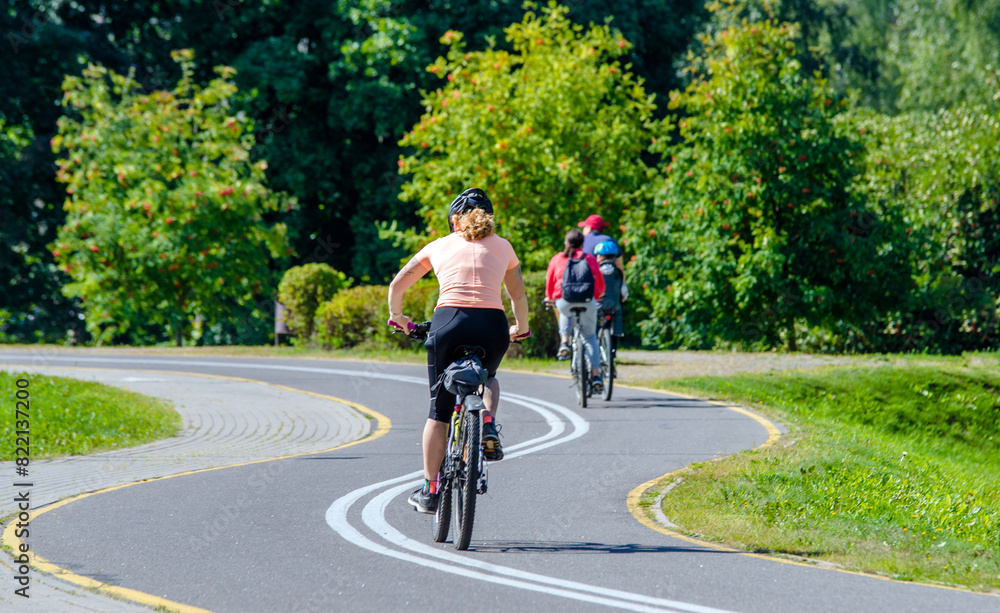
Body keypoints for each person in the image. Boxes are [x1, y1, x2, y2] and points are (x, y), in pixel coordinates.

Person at [388, 187, 530, 515]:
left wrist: (399, 318)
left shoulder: (440, 245)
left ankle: (430, 489)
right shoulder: (505, 247)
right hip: (493, 326)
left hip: (448, 323)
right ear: (489, 218)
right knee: (489, 377)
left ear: (454, 220)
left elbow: (398, 284)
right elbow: (518, 296)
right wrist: (520, 328)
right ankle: (488, 424)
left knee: (438, 411)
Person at [544, 228, 605, 391]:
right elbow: (599, 285)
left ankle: (565, 342)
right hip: (587, 301)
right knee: (590, 337)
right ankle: (596, 375)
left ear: (566, 243)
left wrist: (550, 298)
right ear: (583, 244)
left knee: (564, 309)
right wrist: (597, 297)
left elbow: (550, 283)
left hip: (565, 301)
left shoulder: (557, 259)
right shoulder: (590, 259)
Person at [594, 240, 625, 364]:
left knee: (593, 328)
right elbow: (624, 291)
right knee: (617, 319)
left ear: (600, 256)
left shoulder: (596, 270)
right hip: (614, 306)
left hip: (598, 306)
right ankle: (613, 353)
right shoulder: (618, 272)